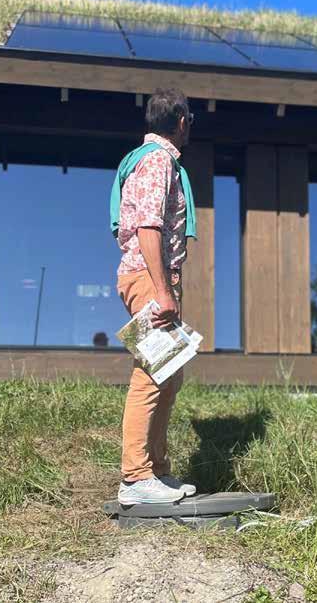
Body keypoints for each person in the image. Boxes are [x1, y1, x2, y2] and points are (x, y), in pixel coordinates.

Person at [112, 88, 198, 505]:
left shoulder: (153, 160)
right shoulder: (157, 161)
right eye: (190, 120)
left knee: (169, 372)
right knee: (151, 372)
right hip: (150, 277)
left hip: (156, 277)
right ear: (181, 121)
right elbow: (148, 226)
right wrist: (163, 291)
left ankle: (157, 471)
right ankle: (135, 477)